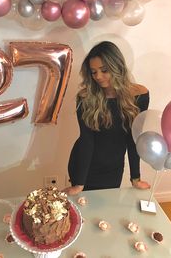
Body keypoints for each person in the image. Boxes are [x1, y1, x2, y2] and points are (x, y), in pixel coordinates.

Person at [64, 41, 150, 196]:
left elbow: (133, 138)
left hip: (114, 167)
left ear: (117, 67)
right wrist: (79, 183)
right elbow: (86, 139)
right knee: (83, 210)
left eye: (104, 70)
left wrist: (135, 178)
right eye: (93, 72)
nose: (98, 77)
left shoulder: (139, 96)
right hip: (84, 165)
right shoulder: (86, 96)